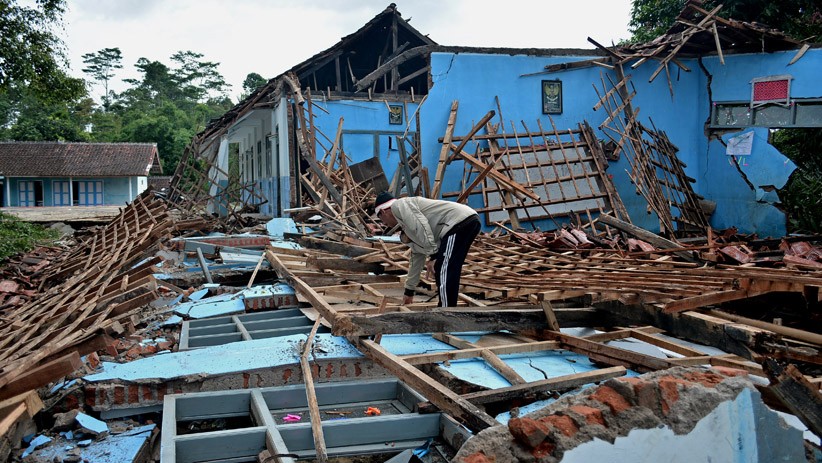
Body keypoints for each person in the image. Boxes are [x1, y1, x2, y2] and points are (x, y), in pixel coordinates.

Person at [373, 191, 480, 307]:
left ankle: (446, 309)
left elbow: (420, 226)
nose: (385, 224)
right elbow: (416, 262)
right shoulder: (411, 230)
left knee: (443, 267)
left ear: (383, 211)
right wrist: (409, 291)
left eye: (382, 220)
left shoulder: (399, 205)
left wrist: (433, 256)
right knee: (450, 267)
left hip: (458, 222)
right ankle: (449, 306)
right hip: (467, 220)